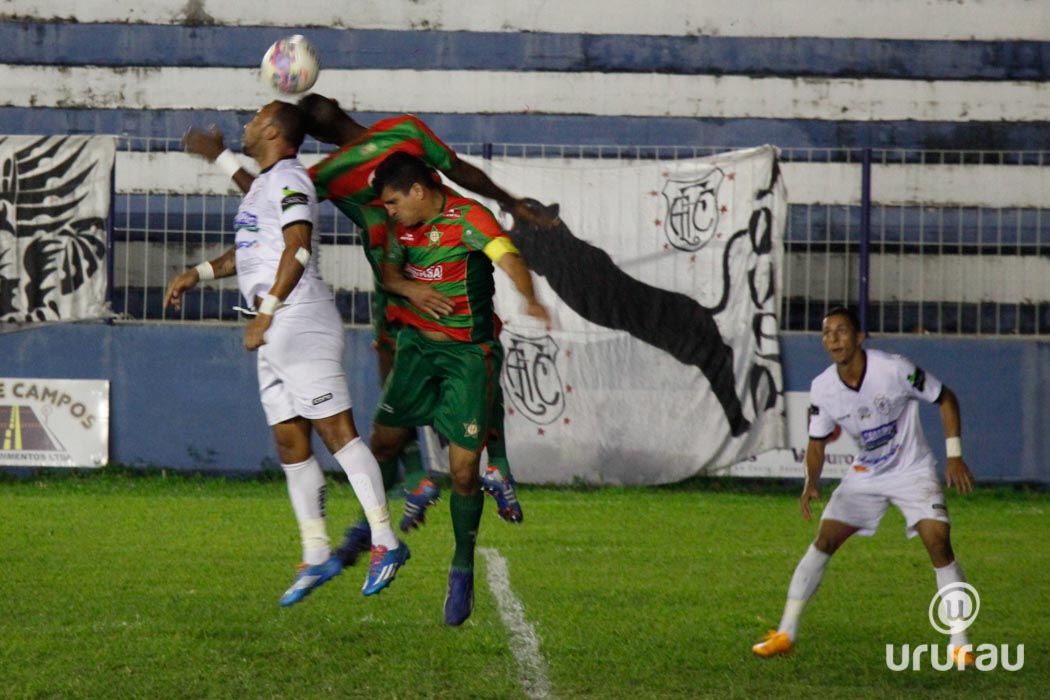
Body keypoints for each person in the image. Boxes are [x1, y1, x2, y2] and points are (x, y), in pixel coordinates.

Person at [182, 94, 551, 546]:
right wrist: (510, 200)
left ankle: (416, 477)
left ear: (313, 136)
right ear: (338, 108)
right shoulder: (405, 129)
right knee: (475, 351)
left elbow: (265, 196)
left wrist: (219, 156)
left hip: (395, 276)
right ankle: (493, 466)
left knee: (396, 381)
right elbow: (460, 171)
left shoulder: (329, 172)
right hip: (449, 260)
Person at [164, 101, 409, 607]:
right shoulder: (266, 184)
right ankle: (316, 552)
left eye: (255, 119)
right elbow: (253, 247)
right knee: (290, 441)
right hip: (275, 322)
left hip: (297, 316)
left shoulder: (292, 177)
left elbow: (298, 244)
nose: (247, 124)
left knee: (336, 431)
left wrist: (269, 311)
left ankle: (386, 540)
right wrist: (198, 273)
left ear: (273, 130)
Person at [370, 152, 550, 625]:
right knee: (382, 442)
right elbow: (390, 274)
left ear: (417, 192)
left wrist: (530, 298)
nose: (389, 212)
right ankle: (382, 525)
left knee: (466, 472)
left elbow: (505, 256)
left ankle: (462, 566)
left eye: (393, 202)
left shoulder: (468, 218)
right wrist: (413, 291)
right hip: (416, 352)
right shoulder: (400, 229)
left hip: (466, 357)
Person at [751, 306, 976, 663]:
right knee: (824, 540)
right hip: (866, 474)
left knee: (938, 541)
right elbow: (817, 441)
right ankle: (785, 633)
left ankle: (960, 644)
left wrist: (954, 454)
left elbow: (945, 398)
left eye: (841, 331)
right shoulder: (823, 388)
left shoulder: (895, 369)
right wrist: (811, 480)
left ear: (859, 338)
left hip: (911, 470)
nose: (833, 339)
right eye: (827, 333)